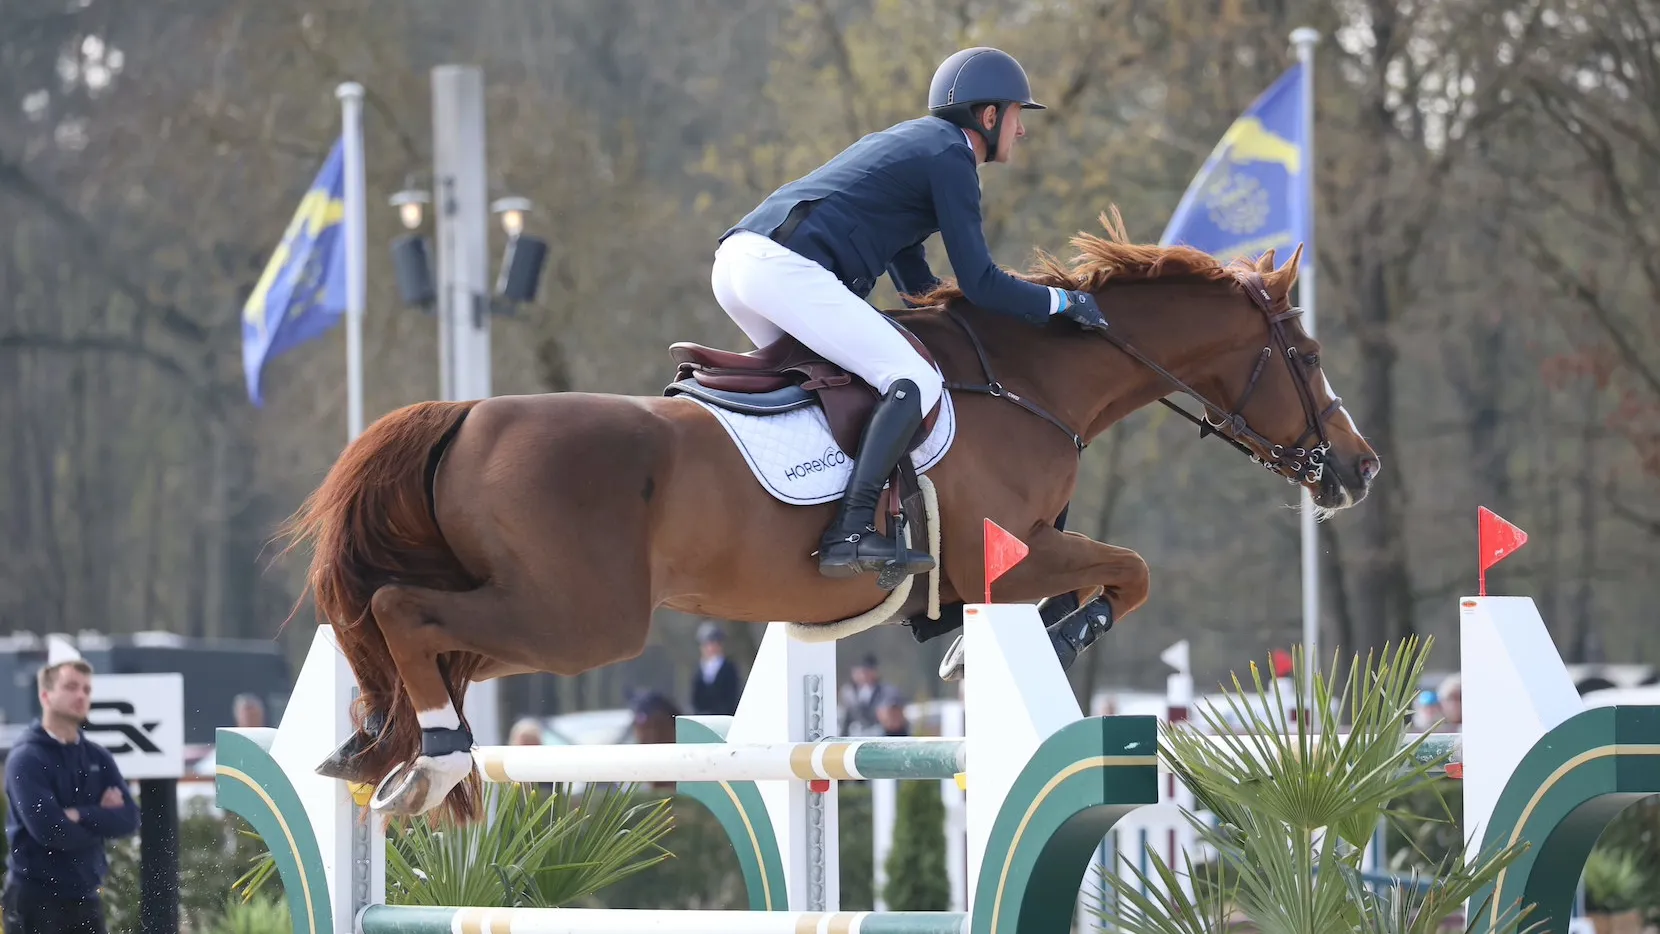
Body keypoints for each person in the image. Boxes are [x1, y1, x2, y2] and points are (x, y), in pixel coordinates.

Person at [713, 47, 1108, 587]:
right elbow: (980, 281)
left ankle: (805, 509)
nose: (1021, 131)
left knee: (839, 386)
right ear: (988, 116)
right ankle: (848, 532)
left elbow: (914, 277)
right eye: (1018, 115)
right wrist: (1062, 304)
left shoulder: (918, 145)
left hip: (740, 265)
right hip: (782, 268)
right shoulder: (951, 157)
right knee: (915, 379)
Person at [4, 656, 140, 934]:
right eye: (71, 687)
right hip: (36, 899)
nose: (81, 695)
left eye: (87, 690)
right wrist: (102, 819)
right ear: (45, 695)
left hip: (86, 897)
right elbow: (51, 831)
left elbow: (130, 819)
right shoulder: (26, 758)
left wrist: (80, 814)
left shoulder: (97, 756)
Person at [689, 622, 741, 716]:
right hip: (702, 717)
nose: (709, 648)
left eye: (713, 643)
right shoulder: (698, 669)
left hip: (724, 717)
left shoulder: (729, 668)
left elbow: (732, 696)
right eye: (706, 644)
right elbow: (695, 698)